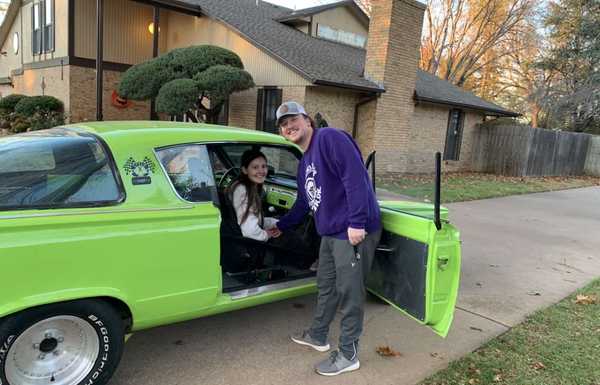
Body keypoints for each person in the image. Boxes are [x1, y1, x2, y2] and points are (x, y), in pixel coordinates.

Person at [272, 101, 382, 376]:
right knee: (326, 285)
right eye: (284, 124)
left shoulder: (330, 138)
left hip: (352, 231)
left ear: (307, 120)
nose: (289, 126)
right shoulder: (305, 161)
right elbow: (303, 202)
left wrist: (357, 222)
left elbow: (355, 179)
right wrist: (281, 226)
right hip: (331, 233)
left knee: (350, 292)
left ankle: (348, 354)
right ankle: (318, 336)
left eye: (293, 119)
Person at [229, 149, 278, 241]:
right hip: (248, 244)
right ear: (245, 170)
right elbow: (250, 230)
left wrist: (276, 223)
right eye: (255, 167)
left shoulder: (245, 186)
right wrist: (267, 235)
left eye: (264, 166)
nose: (261, 171)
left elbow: (256, 219)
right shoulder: (243, 191)